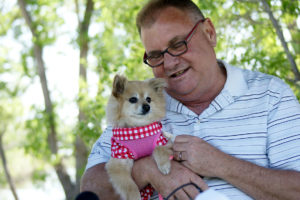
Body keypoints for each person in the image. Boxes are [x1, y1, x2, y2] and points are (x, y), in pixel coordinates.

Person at [80, 0, 300, 199]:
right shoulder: (139, 102)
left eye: (178, 44)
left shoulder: (271, 94)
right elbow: (90, 189)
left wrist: (221, 164)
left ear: (209, 32)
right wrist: (147, 169)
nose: (169, 63)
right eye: (156, 55)